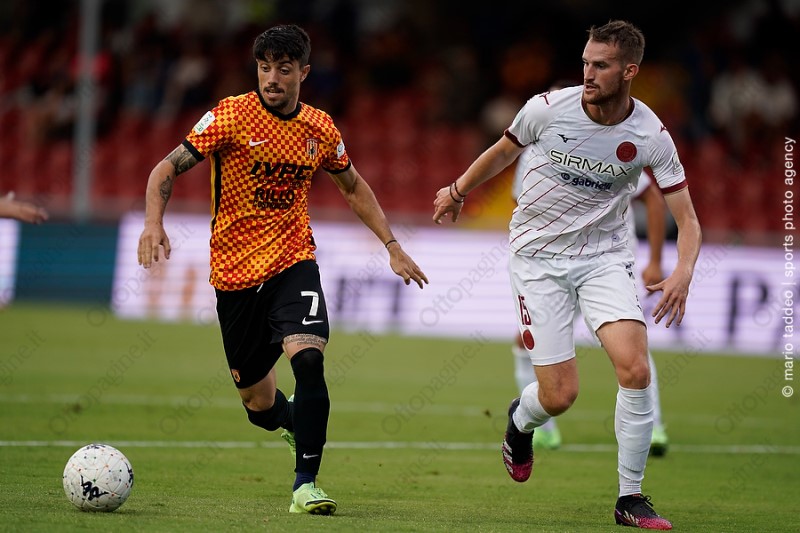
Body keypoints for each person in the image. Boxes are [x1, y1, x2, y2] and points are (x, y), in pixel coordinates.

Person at [138, 24, 428, 516]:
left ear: (303, 73)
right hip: (234, 275)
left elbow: (353, 186)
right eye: (264, 67)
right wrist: (153, 223)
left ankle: (305, 484)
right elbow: (165, 168)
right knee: (258, 405)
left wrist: (392, 245)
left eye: (284, 69)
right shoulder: (231, 116)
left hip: (294, 261)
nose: (272, 78)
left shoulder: (319, 128)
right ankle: (294, 421)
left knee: (309, 360)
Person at [433, 20, 701, 530]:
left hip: (605, 258)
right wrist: (457, 190)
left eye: (601, 65)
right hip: (538, 259)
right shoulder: (547, 109)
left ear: (630, 71)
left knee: (635, 369)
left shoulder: (650, 134)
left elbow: (686, 218)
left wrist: (682, 271)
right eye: (585, 63)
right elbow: (503, 152)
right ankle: (520, 422)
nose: (588, 74)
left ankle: (630, 498)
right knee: (559, 396)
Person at [511, 165, 671, 456]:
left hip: (606, 265)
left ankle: (654, 427)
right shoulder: (528, 157)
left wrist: (656, 260)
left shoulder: (604, 148)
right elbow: (523, 212)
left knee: (630, 345)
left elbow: (653, 198)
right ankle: (542, 428)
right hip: (553, 265)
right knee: (524, 341)